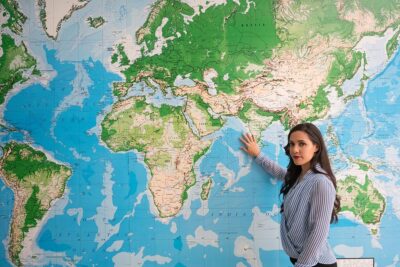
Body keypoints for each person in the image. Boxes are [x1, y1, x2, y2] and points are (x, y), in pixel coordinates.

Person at [240, 123, 340, 267]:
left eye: (302, 144)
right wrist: (258, 155)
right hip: (303, 260)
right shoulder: (300, 176)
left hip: (314, 263)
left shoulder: (321, 182)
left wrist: (302, 265)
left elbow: (319, 231)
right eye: (292, 144)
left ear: (316, 147)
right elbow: (280, 172)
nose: (295, 150)